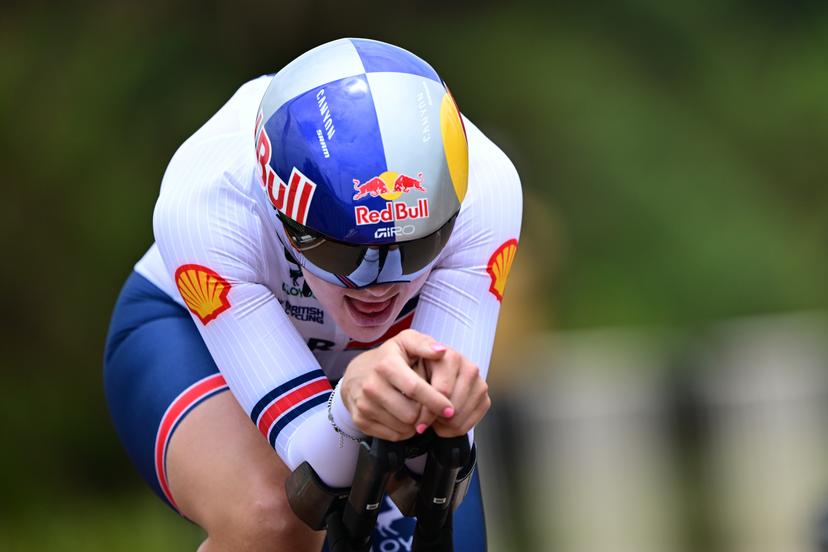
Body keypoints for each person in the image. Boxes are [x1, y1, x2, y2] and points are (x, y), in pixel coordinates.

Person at [103, 37, 522, 551]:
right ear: (283, 220)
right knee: (275, 521)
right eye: (345, 252)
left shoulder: (487, 187)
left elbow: (425, 472)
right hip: (194, 333)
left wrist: (444, 413)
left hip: (381, 360)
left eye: (416, 247)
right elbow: (315, 480)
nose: (379, 286)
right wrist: (347, 404)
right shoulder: (209, 199)